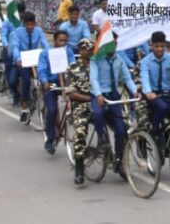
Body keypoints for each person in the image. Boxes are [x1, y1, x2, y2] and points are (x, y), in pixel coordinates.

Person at [90, 39, 138, 180]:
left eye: (115, 43)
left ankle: (119, 160)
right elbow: (93, 79)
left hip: (114, 95)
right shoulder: (95, 58)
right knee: (98, 114)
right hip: (99, 95)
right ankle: (102, 141)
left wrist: (134, 91)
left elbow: (127, 78)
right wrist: (98, 94)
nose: (112, 46)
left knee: (121, 129)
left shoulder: (119, 58)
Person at [38, 30, 75, 154]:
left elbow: (74, 67)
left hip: (66, 83)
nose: (63, 43)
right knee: (52, 110)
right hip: (51, 84)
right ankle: (49, 137)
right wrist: (45, 82)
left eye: (65, 41)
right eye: (60, 40)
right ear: (55, 40)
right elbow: (42, 70)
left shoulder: (69, 52)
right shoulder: (45, 53)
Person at [11, 11, 49, 125]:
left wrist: (50, 54)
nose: (30, 27)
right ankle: (23, 108)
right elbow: (15, 47)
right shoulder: (17, 32)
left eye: (32, 24)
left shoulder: (39, 31)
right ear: (23, 23)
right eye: (27, 24)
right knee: (25, 81)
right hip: (22, 61)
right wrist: (18, 59)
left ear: (35, 23)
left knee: (45, 78)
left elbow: (45, 44)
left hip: (35, 59)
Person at [68, 38, 98, 184]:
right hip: (81, 105)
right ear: (81, 51)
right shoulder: (73, 68)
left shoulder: (98, 65)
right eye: (87, 49)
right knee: (80, 131)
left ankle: (117, 160)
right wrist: (88, 99)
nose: (91, 51)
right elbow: (71, 93)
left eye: (92, 48)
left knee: (120, 125)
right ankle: (79, 165)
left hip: (98, 102)